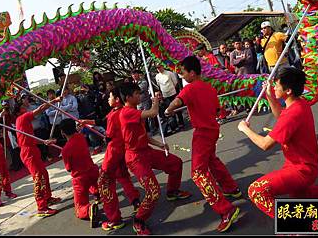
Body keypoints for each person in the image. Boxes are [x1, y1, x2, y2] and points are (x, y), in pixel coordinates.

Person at [237, 67, 318, 218]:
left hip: (301, 170)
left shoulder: (293, 113)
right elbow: (281, 116)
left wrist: (245, 129)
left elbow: (265, 144)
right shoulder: (297, 104)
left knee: (256, 191)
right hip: (299, 165)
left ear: (288, 91)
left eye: (276, 85)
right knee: (303, 201)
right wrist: (270, 96)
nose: (274, 87)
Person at [165, 56, 241, 233]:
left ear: (192, 72)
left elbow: (176, 102)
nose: (182, 76)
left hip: (202, 134)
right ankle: (231, 188)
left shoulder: (189, 89)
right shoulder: (209, 88)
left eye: (183, 73)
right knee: (211, 160)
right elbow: (216, 110)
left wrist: (168, 110)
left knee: (198, 173)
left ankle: (226, 210)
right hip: (213, 129)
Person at [119, 82, 191, 235]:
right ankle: (139, 220)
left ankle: (172, 191)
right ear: (128, 97)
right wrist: (156, 101)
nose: (139, 96)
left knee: (175, 163)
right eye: (136, 94)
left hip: (146, 151)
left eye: (139, 93)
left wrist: (160, 144)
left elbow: (143, 135)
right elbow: (153, 113)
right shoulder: (126, 112)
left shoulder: (134, 111)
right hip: (135, 158)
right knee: (153, 191)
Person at [97, 87, 141, 231]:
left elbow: (109, 134)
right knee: (123, 176)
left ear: (116, 100)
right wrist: (88, 122)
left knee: (105, 183)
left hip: (113, 152)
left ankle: (114, 219)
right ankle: (135, 201)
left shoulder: (113, 115)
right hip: (123, 149)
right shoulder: (123, 111)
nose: (108, 99)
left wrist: (105, 136)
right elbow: (102, 121)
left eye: (110, 97)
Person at [15, 95, 63, 217]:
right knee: (38, 177)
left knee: (43, 174)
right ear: (20, 109)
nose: (26, 104)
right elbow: (41, 108)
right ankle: (41, 206)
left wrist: (45, 141)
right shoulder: (23, 118)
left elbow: (30, 139)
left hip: (32, 149)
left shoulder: (23, 121)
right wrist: (54, 101)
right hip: (28, 152)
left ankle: (47, 198)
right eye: (23, 103)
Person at [59, 118, 100, 228]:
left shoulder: (65, 150)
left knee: (79, 207)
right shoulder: (81, 137)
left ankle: (89, 210)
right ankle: (98, 194)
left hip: (80, 178)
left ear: (62, 132)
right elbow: (73, 137)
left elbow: (68, 168)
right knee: (93, 183)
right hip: (92, 171)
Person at [155, 65, 185, 129]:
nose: (158, 69)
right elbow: (159, 85)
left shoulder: (169, 73)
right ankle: (174, 124)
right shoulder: (157, 76)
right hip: (165, 95)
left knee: (177, 108)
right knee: (169, 110)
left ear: (162, 66)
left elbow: (175, 82)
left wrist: (171, 89)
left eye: (159, 67)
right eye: (157, 68)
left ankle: (181, 123)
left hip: (173, 93)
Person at [0, 100, 23, 170]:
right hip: (8, 133)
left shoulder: (9, 113)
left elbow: (13, 121)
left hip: (11, 132)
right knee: (13, 150)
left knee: (14, 149)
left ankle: (18, 164)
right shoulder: (2, 114)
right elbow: (0, 125)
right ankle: (17, 164)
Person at [131, 69, 156, 135]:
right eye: (133, 74)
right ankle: (144, 131)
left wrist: (134, 91)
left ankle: (152, 129)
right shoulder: (132, 83)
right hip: (138, 103)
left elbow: (141, 89)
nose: (134, 76)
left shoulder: (143, 81)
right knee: (140, 118)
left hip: (145, 101)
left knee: (149, 116)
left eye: (135, 74)